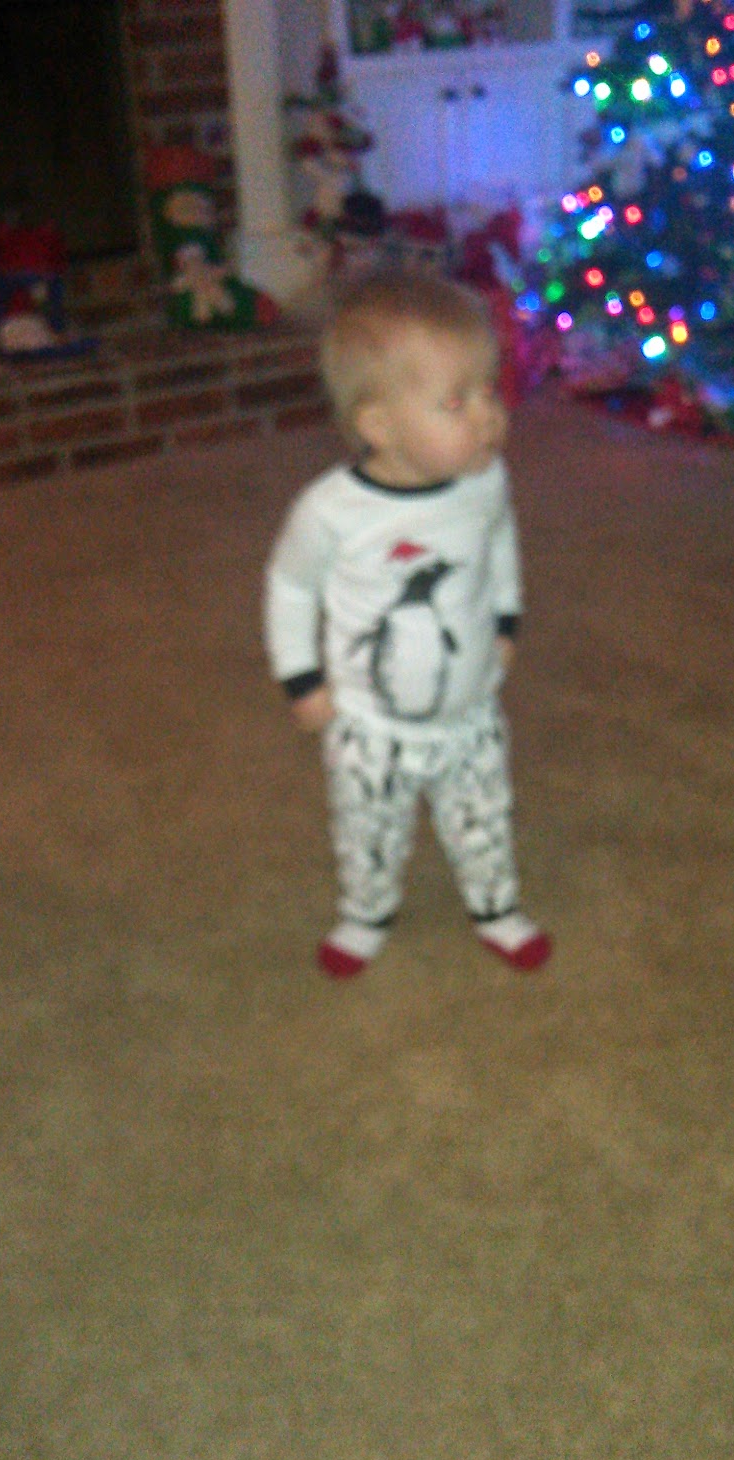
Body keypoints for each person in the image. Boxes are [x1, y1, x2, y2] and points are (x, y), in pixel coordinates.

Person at [264, 269, 551, 978]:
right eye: (457, 401)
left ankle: (494, 904)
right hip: (370, 724)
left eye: (490, 389)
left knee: (484, 815)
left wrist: (506, 623)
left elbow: (500, 544)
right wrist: (303, 682)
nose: (488, 415)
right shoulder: (332, 512)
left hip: (470, 711)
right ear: (379, 426)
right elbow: (290, 589)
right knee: (368, 826)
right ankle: (366, 911)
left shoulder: (485, 480)